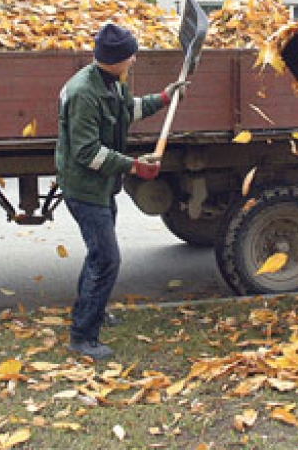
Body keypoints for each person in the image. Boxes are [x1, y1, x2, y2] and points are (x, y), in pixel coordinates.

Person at [55, 22, 188, 360]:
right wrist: (133, 166)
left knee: (98, 255)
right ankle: (82, 337)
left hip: (101, 187)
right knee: (107, 259)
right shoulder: (85, 92)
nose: (134, 60)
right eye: (130, 55)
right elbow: (86, 153)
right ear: (114, 59)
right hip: (85, 188)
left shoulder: (111, 83)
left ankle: (92, 312)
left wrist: (164, 98)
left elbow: (127, 112)